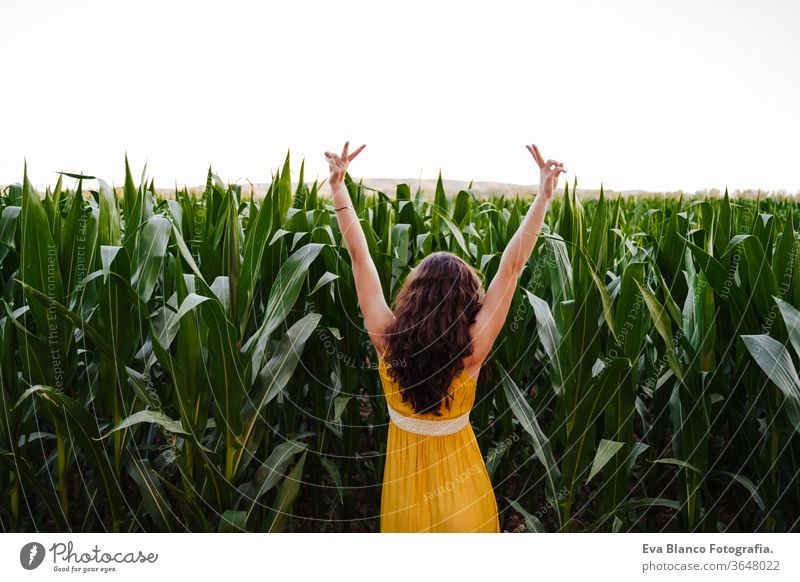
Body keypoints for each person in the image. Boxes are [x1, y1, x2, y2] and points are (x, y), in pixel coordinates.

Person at [325, 142, 565, 532]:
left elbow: (359, 257)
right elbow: (513, 266)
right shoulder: (472, 350)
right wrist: (543, 197)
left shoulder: (387, 340)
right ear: (464, 301)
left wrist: (338, 188)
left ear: (414, 295)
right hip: (462, 492)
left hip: (403, 500)